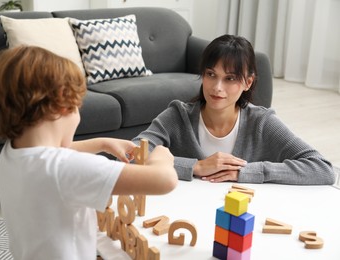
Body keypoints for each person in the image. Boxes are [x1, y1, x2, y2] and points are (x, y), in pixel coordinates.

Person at [0, 46, 178, 260]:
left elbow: (53, 155)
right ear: (63, 105)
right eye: (77, 108)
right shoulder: (65, 169)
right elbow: (164, 180)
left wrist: (103, 143)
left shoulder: (13, 152)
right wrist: (161, 156)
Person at [132, 34, 335, 185]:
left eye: (230, 78)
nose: (217, 87)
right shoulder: (178, 116)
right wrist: (195, 166)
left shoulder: (261, 122)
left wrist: (245, 171)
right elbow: (130, 156)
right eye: (211, 74)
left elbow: (322, 169)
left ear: (248, 82)